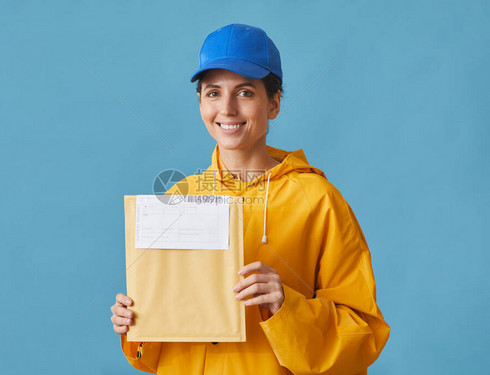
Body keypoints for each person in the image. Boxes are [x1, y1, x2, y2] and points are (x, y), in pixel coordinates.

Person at [110, 24, 390, 374]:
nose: (227, 109)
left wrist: (287, 306)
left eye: (244, 92)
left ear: (273, 103)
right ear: (200, 102)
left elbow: (362, 335)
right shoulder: (176, 199)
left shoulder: (318, 201)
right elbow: (152, 353)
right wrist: (136, 322)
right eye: (213, 93)